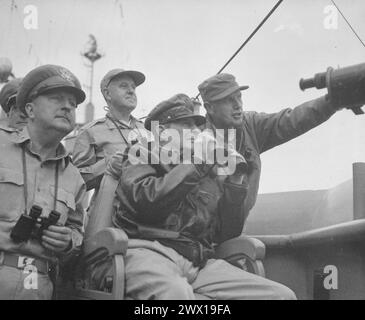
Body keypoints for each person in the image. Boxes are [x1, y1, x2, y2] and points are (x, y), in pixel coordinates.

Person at [92, 94, 296, 300]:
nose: (196, 132)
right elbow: (147, 201)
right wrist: (198, 163)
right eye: (186, 125)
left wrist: (236, 184)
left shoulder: (202, 169)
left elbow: (225, 233)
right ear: (161, 131)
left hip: (197, 262)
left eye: (197, 126)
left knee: (280, 296)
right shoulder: (141, 154)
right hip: (148, 252)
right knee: (176, 294)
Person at [198, 73, 342, 224]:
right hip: (200, 234)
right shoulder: (194, 142)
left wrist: (332, 102)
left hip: (232, 230)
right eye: (228, 100)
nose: (237, 104)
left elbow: (291, 120)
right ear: (210, 108)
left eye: (238, 97)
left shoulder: (251, 126)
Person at [0, 64, 86, 300]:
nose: (67, 106)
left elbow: (77, 230)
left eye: (73, 103)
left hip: (39, 286)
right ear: (29, 109)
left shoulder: (74, 177)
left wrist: (68, 241)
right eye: (57, 98)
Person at [72, 69, 146, 220]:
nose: (131, 91)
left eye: (133, 87)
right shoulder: (90, 132)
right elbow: (75, 182)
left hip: (145, 216)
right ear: (107, 94)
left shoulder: (148, 131)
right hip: (108, 217)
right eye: (124, 86)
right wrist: (108, 165)